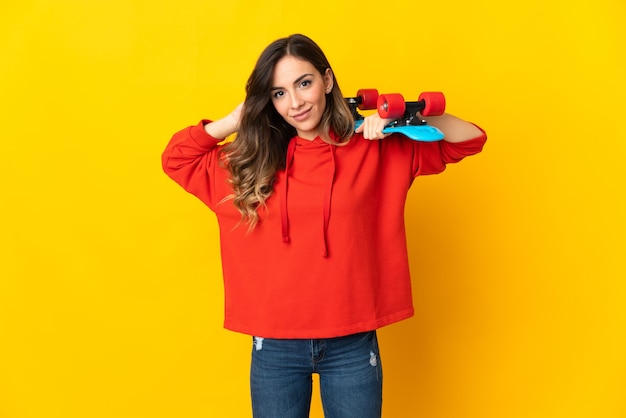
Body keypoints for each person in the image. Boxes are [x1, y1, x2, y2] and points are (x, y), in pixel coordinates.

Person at [162, 33, 486, 418]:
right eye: (278, 93)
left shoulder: (375, 148)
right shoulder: (250, 161)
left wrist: (401, 120)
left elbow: (469, 139)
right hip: (275, 345)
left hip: (351, 340)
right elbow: (176, 159)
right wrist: (237, 118)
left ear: (327, 81)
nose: (295, 103)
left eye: (304, 83)